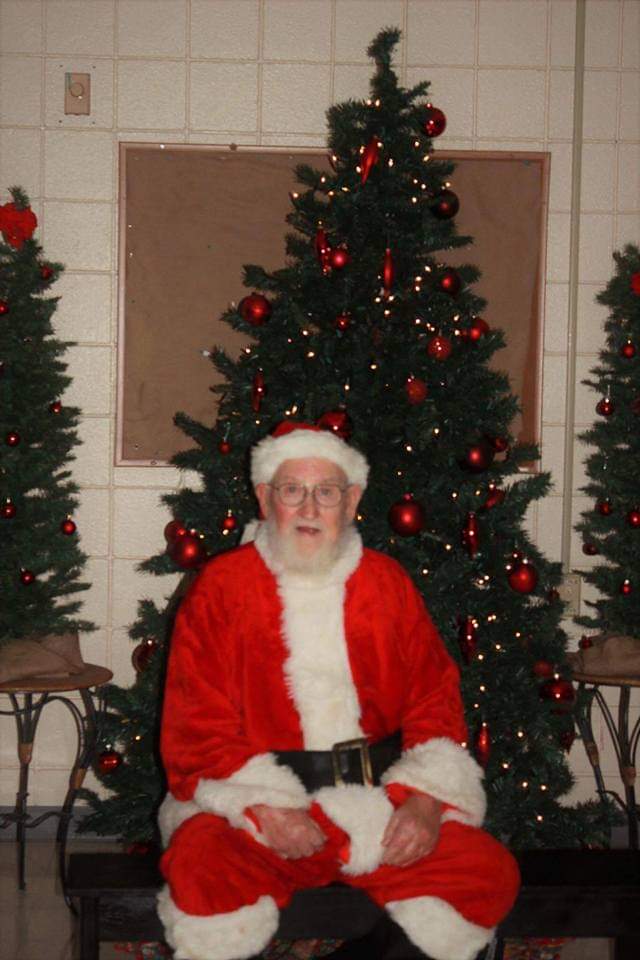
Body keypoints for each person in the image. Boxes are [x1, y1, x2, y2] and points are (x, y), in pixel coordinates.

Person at [157, 421, 520, 960]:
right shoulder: (222, 588)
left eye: (325, 492)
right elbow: (194, 725)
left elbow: (433, 699)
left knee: (484, 873)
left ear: (351, 502)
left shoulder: (387, 583)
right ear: (264, 498)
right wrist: (265, 808)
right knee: (202, 865)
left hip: (377, 808)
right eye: (292, 490)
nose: (308, 508)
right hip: (261, 813)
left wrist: (423, 801)